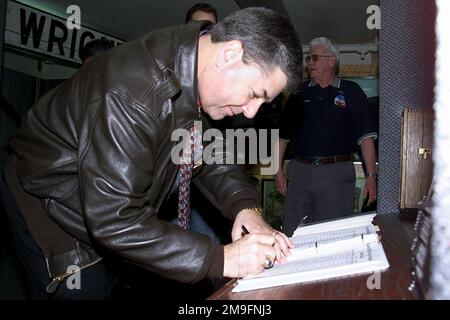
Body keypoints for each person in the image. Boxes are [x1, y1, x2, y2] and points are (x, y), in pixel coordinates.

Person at [0, 7, 302, 299]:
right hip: (53, 202)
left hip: (104, 208)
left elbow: (208, 149)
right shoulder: (134, 94)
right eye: (254, 94)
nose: (251, 113)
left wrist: (246, 208)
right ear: (230, 54)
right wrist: (222, 259)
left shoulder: (195, 63)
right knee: (84, 291)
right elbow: (114, 220)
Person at [276, 37, 377, 237]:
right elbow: (282, 137)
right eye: (308, 58)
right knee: (292, 236)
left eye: (315, 57)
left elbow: (366, 139)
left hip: (336, 177)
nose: (310, 62)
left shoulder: (351, 91)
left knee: (332, 238)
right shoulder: (298, 93)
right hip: (300, 176)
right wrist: (277, 171)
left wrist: (371, 177)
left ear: (332, 61)